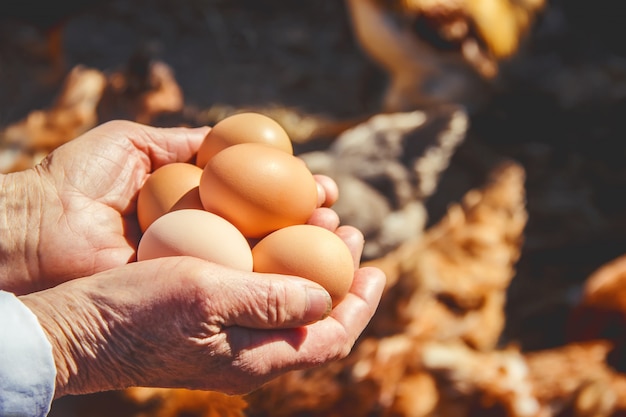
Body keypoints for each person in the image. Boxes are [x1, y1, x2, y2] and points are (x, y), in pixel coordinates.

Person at [0, 120, 387, 416]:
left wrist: (31, 215)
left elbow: (248, 182)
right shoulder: (208, 194)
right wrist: (86, 338)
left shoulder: (217, 192)